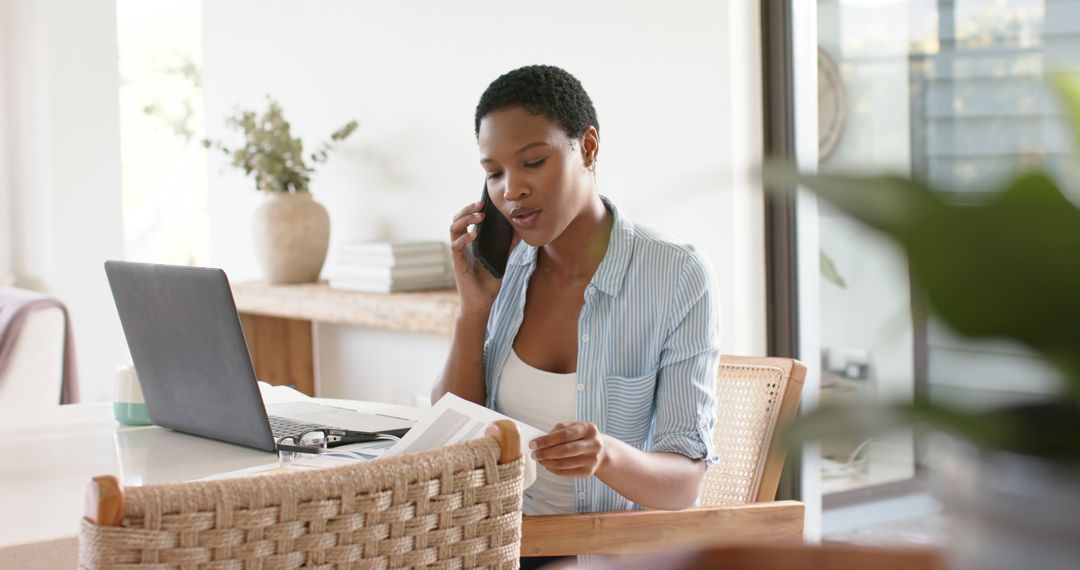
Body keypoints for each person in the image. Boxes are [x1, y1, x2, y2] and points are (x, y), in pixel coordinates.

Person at [432, 65, 720, 562]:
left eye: (533, 162)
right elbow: (452, 435)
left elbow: (684, 485)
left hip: (609, 553)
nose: (511, 190)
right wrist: (473, 311)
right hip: (501, 547)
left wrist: (605, 455)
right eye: (494, 173)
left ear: (587, 147)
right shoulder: (506, 273)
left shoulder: (676, 275)